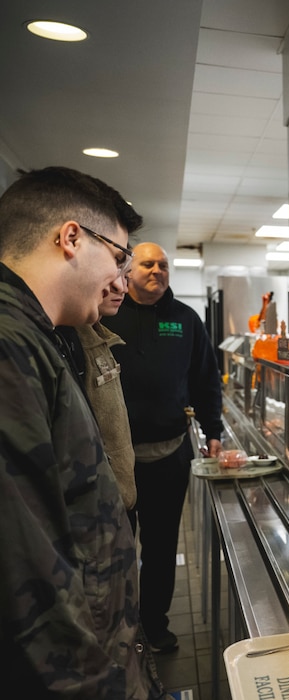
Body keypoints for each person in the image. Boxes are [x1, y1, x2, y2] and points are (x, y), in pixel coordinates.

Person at [0, 166, 167, 697]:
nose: (120, 278)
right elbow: (27, 575)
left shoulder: (40, 336)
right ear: (71, 238)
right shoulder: (10, 346)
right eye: (119, 257)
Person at [103, 242, 225, 654]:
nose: (157, 270)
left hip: (170, 456)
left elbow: (207, 379)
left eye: (163, 264)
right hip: (114, 461)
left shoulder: (186, 320)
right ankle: (118, 632)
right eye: (147, 264)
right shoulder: (107, 312)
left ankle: (155, 626)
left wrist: (214, 430)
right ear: (128, 269)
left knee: (160, 548)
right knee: (116, 549)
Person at [57, 271, 138, 511]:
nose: (121, 288)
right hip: (95, 507)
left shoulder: (99, 336)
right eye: (111, 276)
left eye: (126, 278)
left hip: (117, 499)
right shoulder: (64, 339)